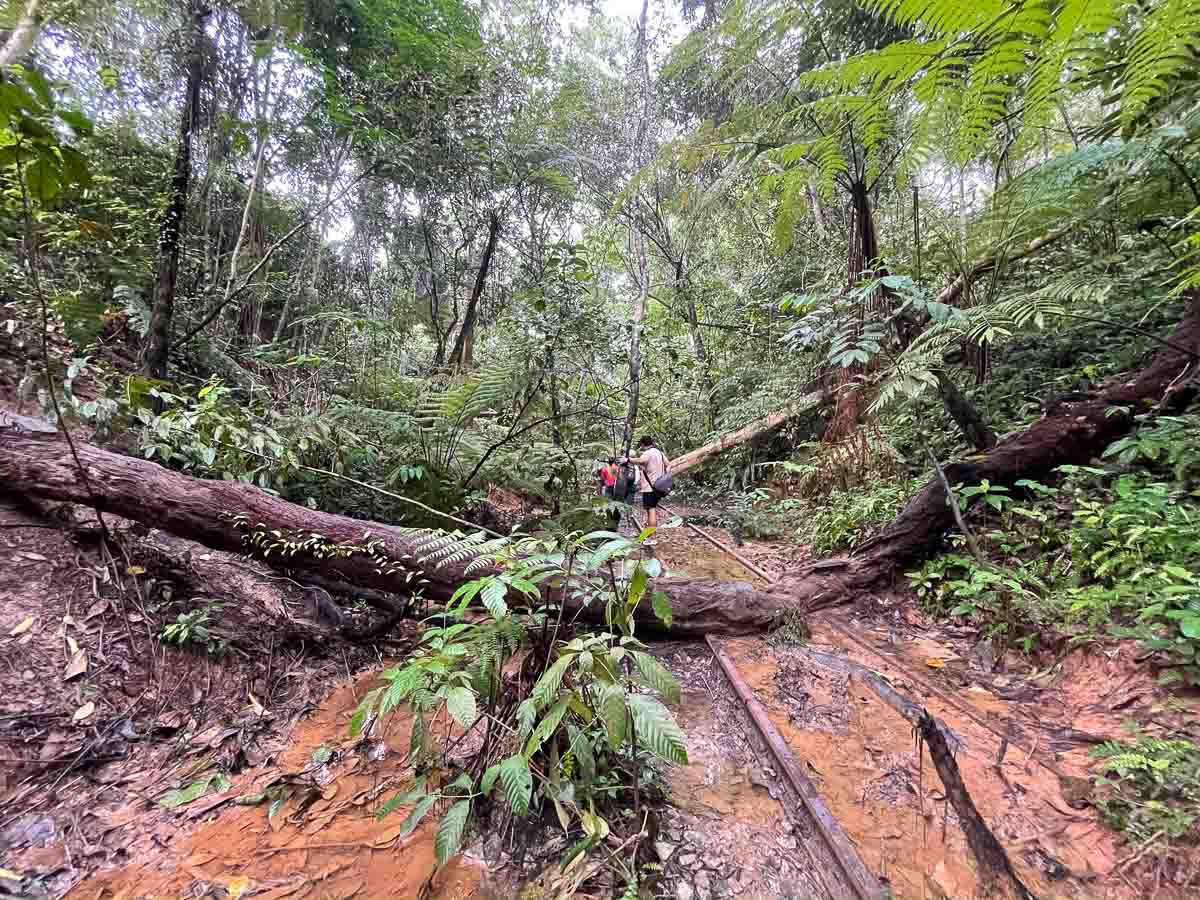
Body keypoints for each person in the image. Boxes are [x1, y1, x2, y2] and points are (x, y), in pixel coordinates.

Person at [623, 436, 669, 531]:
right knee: (652, 509)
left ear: (643, 444)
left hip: (650, 487)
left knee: (651, 510)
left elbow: (641, 460)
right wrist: (664, 476)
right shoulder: (660, 453)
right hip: (659, 486)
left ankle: (652, 538)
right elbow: (668, 465)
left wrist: (628, 460)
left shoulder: (647, 453)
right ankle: (650, 534)